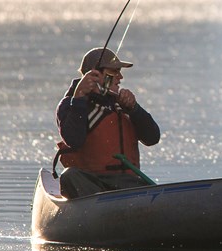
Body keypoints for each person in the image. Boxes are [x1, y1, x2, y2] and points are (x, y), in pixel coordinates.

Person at [54, 47, 160, 198]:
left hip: (128, 185)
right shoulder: (70, 105)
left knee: (142, 186)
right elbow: (73, 139)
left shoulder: (121, 104)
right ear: (94, 75)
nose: (120, 77)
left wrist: (135, 109)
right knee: (69, 176)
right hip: (92, 185)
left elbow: (152, 138)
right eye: (114, 72)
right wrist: (78, 98)